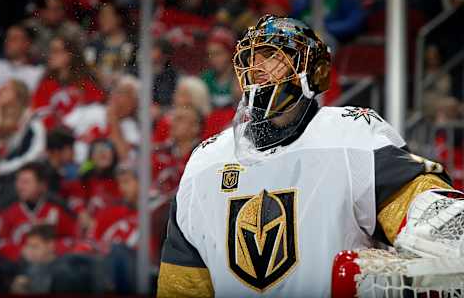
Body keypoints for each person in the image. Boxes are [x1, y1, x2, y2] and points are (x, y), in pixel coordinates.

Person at [157, 15, 463, 297]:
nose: (258, 68)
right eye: (252, 59)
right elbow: (181, 285)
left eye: (273, 57)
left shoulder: (350, 136)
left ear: (314, 71)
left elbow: (428, 213)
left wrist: (448, 226)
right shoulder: (204, 163)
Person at [0, 162, 76, 262]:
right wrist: (21, 251)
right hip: (18, 266)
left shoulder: (55, 211)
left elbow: (72, 240)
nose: (20, 186)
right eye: (18, 181)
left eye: (26, 182)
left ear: (42, 185)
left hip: (51, 267)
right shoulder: (9, 212)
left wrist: (51, 248)